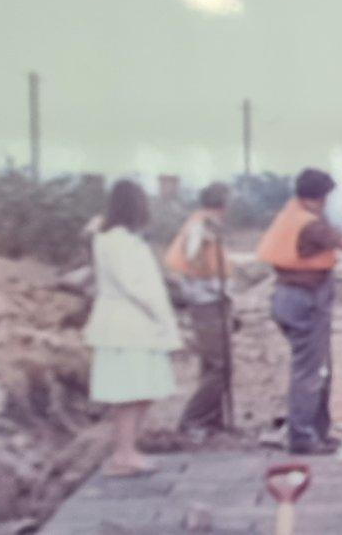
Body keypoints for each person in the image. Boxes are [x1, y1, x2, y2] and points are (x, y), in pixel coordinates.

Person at [257, 167, 342, 455]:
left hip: (294, 298)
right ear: (322, 196)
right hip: (303, 300)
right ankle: (302, 438)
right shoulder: (310, 225)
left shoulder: (292, 212)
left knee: (320, 369)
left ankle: (317, 432)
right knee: (309, 372)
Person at [84, 179, 182, 476]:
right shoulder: (117, 241)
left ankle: (128, 451)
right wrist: (162, 316)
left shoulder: (121, 238)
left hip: (134, 324)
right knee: (129, 391)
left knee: (142, 389)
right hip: (128, 324)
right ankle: (123, 455)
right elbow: (136, 286)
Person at [163, 183, 234, 434]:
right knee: (219, 366)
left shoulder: (203, 223)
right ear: (224, 203)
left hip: (210, 300)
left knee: (213, 365)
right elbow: (192, 260)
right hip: (206, 302)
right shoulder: (201, 227)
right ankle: (193, 419)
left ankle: (211, 420)